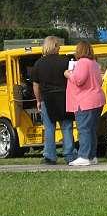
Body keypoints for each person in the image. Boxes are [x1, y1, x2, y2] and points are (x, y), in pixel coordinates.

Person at [31, 36, 77, 165]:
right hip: (64, 97)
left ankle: (50, 156)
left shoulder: (39, 63)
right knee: (67, 126)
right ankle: (70, 155)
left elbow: (36, 85)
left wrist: (38, 100)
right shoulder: (65, 61)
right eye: (58, 45)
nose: (60, 47)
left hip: (48, 98)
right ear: (55, 46)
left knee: (49, 128)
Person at [64, 41, 105, 166]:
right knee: (92, 130)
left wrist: (68, 74)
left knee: (84, 129)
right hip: (97, 99)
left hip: (84, 101)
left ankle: (84, 156)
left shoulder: (82, 62)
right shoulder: (94, 64)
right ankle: (92, 156)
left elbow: (79, 80)